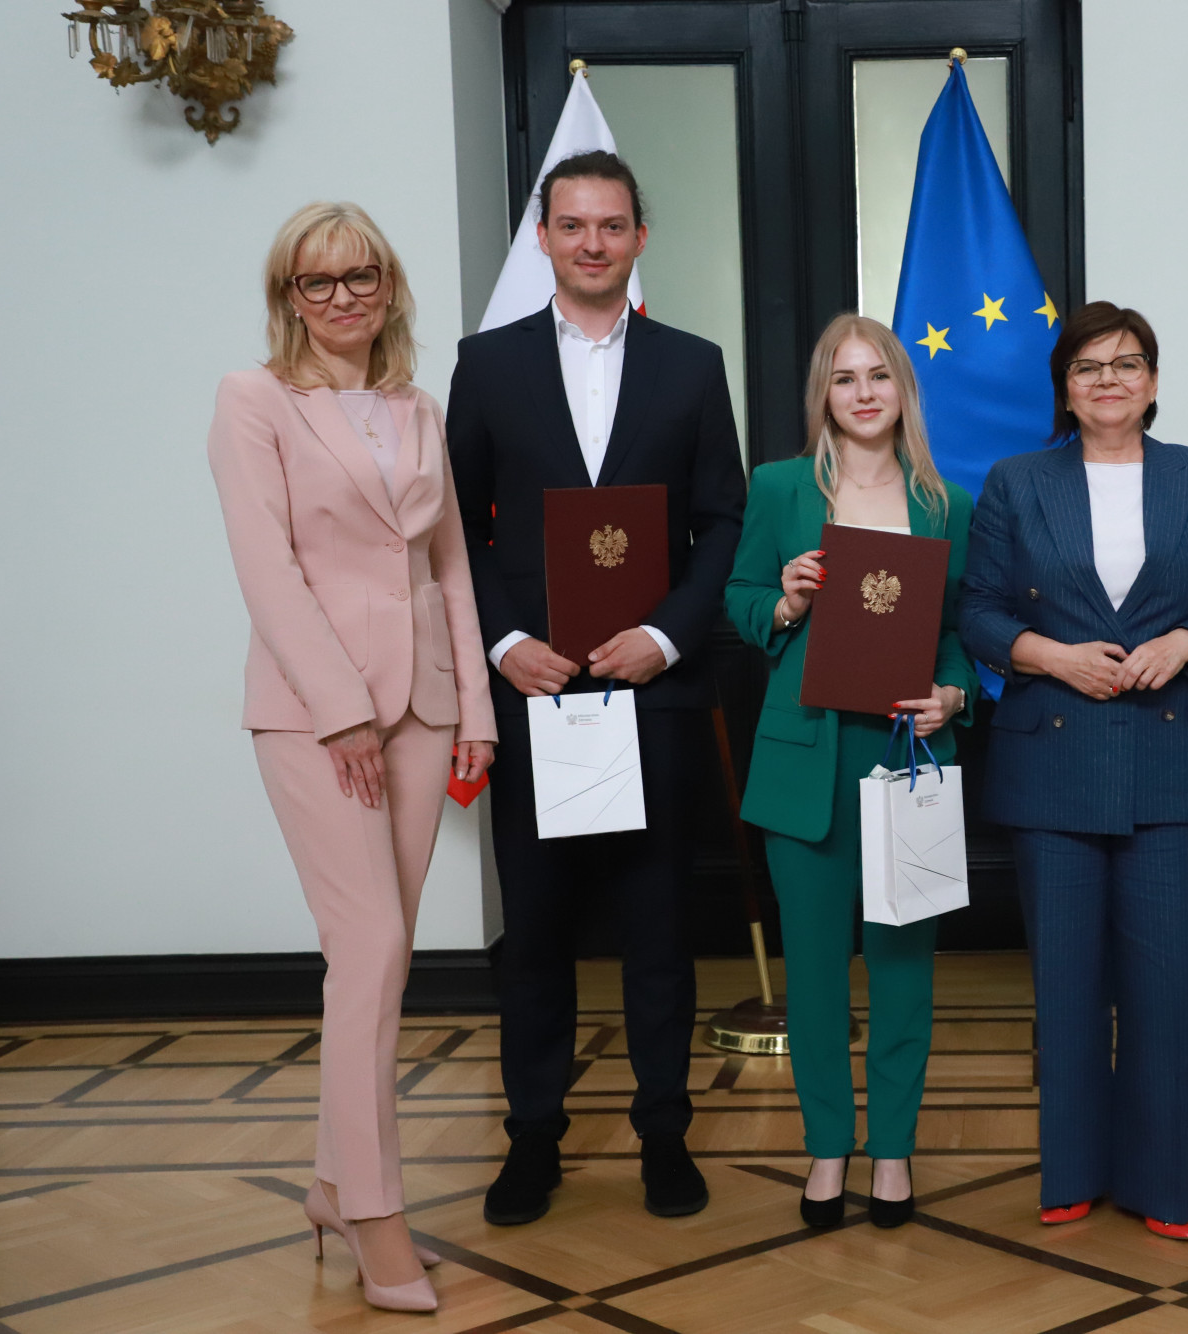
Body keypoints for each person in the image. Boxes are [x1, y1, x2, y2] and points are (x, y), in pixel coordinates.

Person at [447, 150, 747, 1226]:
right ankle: (533, 1139)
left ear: (638, 238)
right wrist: (503, 639)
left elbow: (724, 518)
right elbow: (454, 531)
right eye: (570, 224)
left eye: (610, 225)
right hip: (534, 692)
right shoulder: (484, 365)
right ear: (543, 237)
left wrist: (668, 634)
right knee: (534, 932)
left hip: (648, 690)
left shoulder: (691, 363)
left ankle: (664, 1133)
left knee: (659, 926)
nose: (590, 241)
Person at [208, 202, 496, 1313]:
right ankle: (378, 1212)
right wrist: (336, 710)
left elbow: (451, 567)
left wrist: (472, 703)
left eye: (357, 277)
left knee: (384, 958)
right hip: (314, 710)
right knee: (368, 948)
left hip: (424, 704)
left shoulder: (415, 406)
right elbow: (265, 566)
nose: (338, 299)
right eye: (313, 283)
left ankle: (334, 1180)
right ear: (288, 296)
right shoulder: (253, 400)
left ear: (388, 287)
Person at [959, 302, 1188, 1240]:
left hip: (1173, 754)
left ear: (1155, 382)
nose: (1108, 379)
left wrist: (1185, 641)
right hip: (1054, 755)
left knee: (1171, 990)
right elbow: (977, 613)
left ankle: (1166, 1188)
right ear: (1064, 389)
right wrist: (1051, 656)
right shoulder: (1016, 481)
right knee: (1068, 985)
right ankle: (1072, 1174)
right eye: (1088, 367)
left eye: (1127, 364)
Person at [724, 314, 976, 1230]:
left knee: (904, 970)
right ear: (822, 395)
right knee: (819, 976)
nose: (864, 392)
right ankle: (829, 1147)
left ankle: (894, 1151)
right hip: (807, 764)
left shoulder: (947, 501)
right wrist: (782, 601)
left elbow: (962, 633)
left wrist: (955, 696)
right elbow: (740, 599)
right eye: (844, 378)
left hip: (907, 756)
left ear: (902, 390)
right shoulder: (782, 487)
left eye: (879, 376)